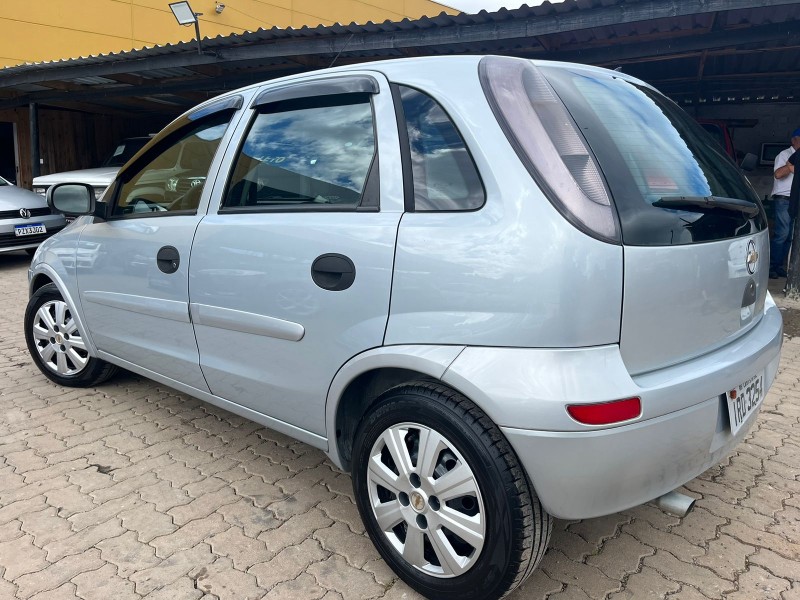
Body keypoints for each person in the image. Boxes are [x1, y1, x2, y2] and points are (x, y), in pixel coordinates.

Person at [770, 127, 800, 279]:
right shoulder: (785, 154)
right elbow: (778, 174)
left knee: (789, 236)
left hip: (795, 201)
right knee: (782, 234)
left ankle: (779, 266)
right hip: (784, 199)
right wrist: (791, 166)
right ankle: (772, 266)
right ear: (794, 140)